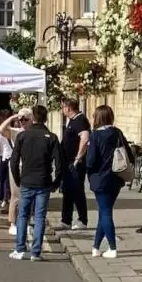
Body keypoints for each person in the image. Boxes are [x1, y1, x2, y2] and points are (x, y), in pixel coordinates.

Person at [10, 104, 63, 261]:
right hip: (44, 181)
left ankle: (19, 249)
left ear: (33, 117)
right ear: (46, 118)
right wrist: (56, 182)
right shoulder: (52, 138)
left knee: (23, 215)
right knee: (39, 217)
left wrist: (18, 179)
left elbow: (14, 162)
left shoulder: (22, 136)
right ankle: (36, 252)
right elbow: (60, 164)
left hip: (26, 180)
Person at [85, 105, 132, 259]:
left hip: (100, 179)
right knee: (104, 212)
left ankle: (112, 248)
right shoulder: (117, 133)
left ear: (98, 118)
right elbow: (130, 155)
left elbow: (91, 160)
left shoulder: (95, 136)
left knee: (105, 213)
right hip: (116, 178)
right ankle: (96, 247)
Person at [0, 108, 31, 235]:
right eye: (21, 119)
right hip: (16, 166)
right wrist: (12, 117)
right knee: (16, 196)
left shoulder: (33, 132)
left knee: (28, 196)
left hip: (29, 167)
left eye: (26, 119)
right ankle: (13, 223)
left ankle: (26, 222)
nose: (23, 122)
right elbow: (0, 129)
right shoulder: (16, 132)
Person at [59, 97, 91, 230]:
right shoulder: (72, 121)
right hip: (68, 162)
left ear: (68, 107)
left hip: (75, 162)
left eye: (63, 107)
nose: (62, 110)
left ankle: (82, 219)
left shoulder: (80, 120)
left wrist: (78, 158)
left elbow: (85, 138)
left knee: (77, 190)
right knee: (67, 191)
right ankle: (66, 220)